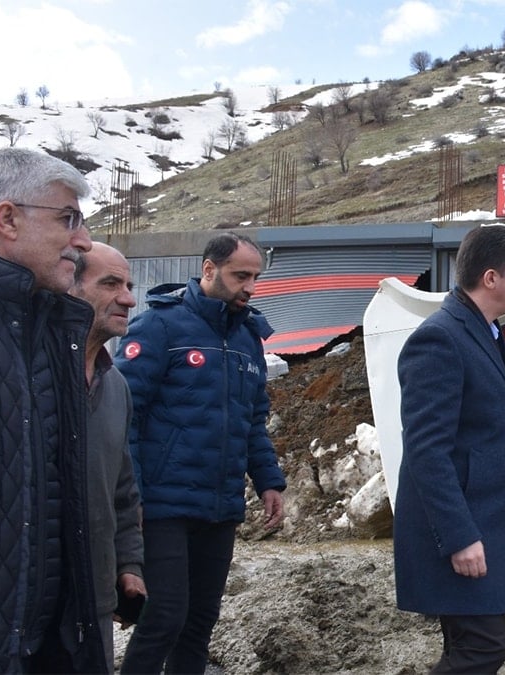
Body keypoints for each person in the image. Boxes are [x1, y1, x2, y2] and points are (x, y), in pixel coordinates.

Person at [0, 147, 107, 672]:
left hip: (44, 647)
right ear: (7, 219)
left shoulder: (53, 325)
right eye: (68, 218)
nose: (83, 241)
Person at [115, 231, 286, 674]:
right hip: (162, 505)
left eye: (255, 277)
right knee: (164, 616)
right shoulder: (160, 326)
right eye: (241, 275)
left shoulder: (249, 337)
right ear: (209, 270)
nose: (250, 286)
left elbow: (253, 419)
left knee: (199, 624)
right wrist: (128, 495)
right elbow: (123, 413)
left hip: (220, 506)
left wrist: (268, 480)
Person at [394, 224, 505, 674]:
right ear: (491, 278)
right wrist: (460, 536)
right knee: (481, 650)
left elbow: (480, 418)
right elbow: (427, 450)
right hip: (459, 524)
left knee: (469, 649)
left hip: (486, 518)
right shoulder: (440, 339)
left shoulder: (484, 329)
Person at [68, 242, 149, 671]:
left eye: (130, 285)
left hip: (96, 601)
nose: (129, 298)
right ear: (71, 286)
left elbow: (122, 489)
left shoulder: (116, 386)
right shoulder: (34, 374)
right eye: (111, 283)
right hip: (39, 605)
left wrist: (129, 564)